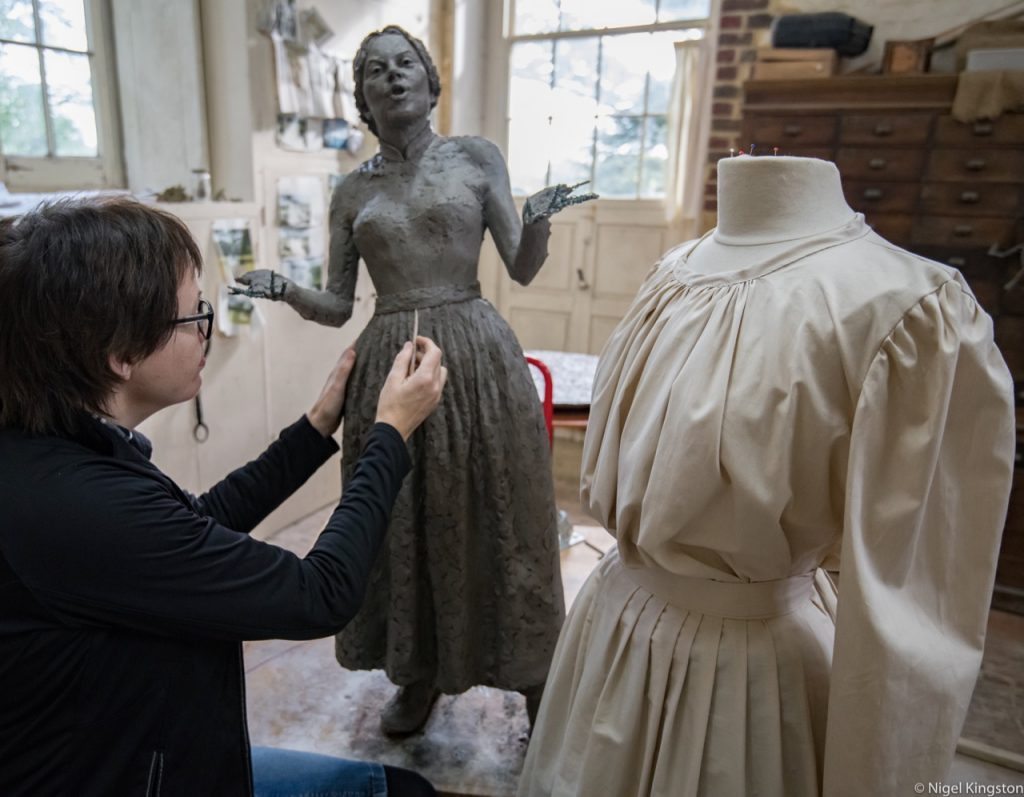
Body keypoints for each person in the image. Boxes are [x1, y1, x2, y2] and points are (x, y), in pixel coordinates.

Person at [517, 155, 1015, 796]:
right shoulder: (672, 273)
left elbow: (915, 617)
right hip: (610, 626)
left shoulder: (911, 309)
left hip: (739, 677)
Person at [0, 197, 447, 796]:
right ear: (121, 355)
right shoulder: (75, 506)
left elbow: (189, 527)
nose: (203, 332)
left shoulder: (51, 449)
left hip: (149, 750)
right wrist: (391, 433)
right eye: (192, 317)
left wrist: (315, 428)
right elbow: (319, 594)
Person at [237, 25, 592, 735]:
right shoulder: (349, 192)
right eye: (375, 70)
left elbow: (519, 265)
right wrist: (286, 289)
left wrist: (540, 222)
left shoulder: (474, 158)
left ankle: (533, 673)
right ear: (363, 98)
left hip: (476, 355)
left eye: (406, 65)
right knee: (400, 520)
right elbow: (340, 303)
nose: (392, 76)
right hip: (389, 362)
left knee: (504, 508)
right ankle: (419, 670)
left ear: (431, 83)